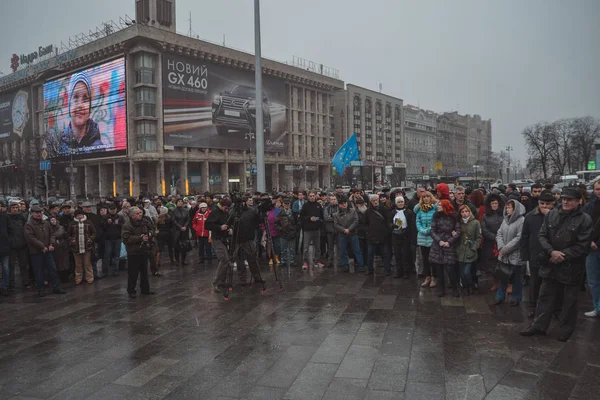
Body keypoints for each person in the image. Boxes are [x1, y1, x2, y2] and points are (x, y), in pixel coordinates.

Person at [521, 188, 593, 342]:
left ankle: (566, 330)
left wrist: (562, 255)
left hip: (571, 267)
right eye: (564, 199)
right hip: (550, 263)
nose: (566, 202)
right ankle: (539, 326)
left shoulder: (584, 219)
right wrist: (551, 251)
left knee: (569, 301)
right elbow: (542, 235)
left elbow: (583, 245)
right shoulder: (552, 214)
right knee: (544, 296)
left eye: (570, 199)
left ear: (579, 201)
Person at [520, 191, 555, 318]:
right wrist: (524, 255)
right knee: (534, 283)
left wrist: (550, 216)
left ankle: (553, 309)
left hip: (551, 254)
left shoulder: (558, 216)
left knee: (552, 283)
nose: (545, 206)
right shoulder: (530, 216)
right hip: (535, 253)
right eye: (542, 203)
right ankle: (533, 307)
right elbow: (524, 236)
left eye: (548, 204)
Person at [57, 70, 104, 155]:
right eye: (75, 97)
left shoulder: (98, 147)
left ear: (90, 106)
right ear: (69, 104)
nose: (80, 105)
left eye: (85, 99)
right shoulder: (59, 146)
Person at [23, 206, 66, 297]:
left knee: (53, 269)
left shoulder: (46, 223)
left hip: (48, 251)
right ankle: (41, 289)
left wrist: (51, 244)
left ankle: (57, 287)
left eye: (40, 212)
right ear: (32, 213)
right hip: (36, 252)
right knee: (39, 271)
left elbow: (52, 235)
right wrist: (42, 246)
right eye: (36, 212)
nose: (39, 214)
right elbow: (31, 238)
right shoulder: (29, 225)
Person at [494, 200, 526, 306]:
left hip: (516, 255)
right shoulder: (505, 220)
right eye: (506, 207)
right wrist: (501, 246)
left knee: (517, 279)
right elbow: (499, 233)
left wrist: (506, 249)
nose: (507, 209)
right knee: (503, 277)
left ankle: (516, 298)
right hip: (504, 255)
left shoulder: (521, 220)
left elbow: (519, 238)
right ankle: (499, 297)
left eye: (510, 207)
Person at [429, 200, 460, 297]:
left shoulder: (454, 217)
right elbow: (432, 231)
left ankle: (455, 288)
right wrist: (439, 241)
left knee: (450, 269)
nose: (437, 206)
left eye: (439, 205)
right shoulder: (436, 216)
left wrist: (449, 242)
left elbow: (458, 231)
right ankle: (441, 289)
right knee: (439, 269)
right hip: (438, 246)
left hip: (449, 246)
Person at [121, 207, 154, 298]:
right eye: (137, 213)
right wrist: (140, 238)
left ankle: (145, 289)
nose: (140, 214)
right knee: (133, 273)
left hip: (144, 250)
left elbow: (152, 228)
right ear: (132, 215)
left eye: (140, 212)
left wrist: (150, 234)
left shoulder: (144, 222)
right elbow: (126, 239)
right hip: (133, 252)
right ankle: (131, 290)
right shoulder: (127, 225)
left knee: (144, 272)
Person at [206, 198, 233, 292]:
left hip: (223, 238)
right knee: (224, 259)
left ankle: (221, 281)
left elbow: (228, 223)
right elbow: (207, 225)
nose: (227, 210)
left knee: (226, 260)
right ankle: (216, 282)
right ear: (221, 205)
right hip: (216, 238)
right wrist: (219, 227)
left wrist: (229, 228)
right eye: (225, 208)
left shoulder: (225, 212)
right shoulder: (214, 212)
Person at [582, 180, 600, 318]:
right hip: (591, 248)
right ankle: (597, 307)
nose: (599, 191)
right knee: (593, 281)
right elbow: (582, 226)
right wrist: (589, 241)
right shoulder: (589, 207)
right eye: (597, 189)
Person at [456, 204, 482, 296]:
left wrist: (474, 247)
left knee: (467, 272)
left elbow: (479, 237)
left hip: (471, 250)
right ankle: (466, 287)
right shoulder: (458, 222)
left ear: (469, 212)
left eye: (466, 211)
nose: (464, 213)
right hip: (460, 251)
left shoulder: (475, 222)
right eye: (462, 212)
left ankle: (470, 285)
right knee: (462, 273)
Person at [334, 196, 364, 273]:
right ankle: (345, 265)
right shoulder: (336, 214)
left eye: (345, 203)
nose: (344, 205)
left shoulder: (353, 211)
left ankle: (361, 265)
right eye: (342, 204)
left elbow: (356, 221)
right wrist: (344, 230)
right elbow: (336, 224)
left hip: (352, 233)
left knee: (357, 250)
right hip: (342, 234)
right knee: (343, 250)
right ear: (339, 205)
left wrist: (349, 229)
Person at [67, 209, 96, 285]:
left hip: (87, 246)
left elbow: (94, 232)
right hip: (76, 247)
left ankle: (89, 278)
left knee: (87, 263)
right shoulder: (72, 223)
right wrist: (71, 239)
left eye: (80, 215)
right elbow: (68, 234)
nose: (79, 216)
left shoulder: (88, 222)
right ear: (75, 216)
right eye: (78, 215)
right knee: (78, 264)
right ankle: (78, 278)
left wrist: (91, 239)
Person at [390, 196, 417, 279]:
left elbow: (412, 225)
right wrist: (392, 225)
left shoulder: (409, 212)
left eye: (401, 202)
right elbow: (388, 222)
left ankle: (406, 272)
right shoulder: (393, 212)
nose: (400, 203)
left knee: (405, 255)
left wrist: (413, 238)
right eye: (398, 202)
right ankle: (398, 271)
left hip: (406, 236)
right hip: (396, 235)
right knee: (397, 255)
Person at [7, 201, 32, 290]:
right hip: (12, 246)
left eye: (16, 208)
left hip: (22, 245)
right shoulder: (7, 218)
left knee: (23, 264)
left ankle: (25, 281)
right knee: (11, 265)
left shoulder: (22, 217)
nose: (15, 209)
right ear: (10, 209)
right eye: (13, 208)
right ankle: (11, 283)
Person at [365, 194, 392, 275]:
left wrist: (387, 231)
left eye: (377, 200)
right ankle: (370, 270)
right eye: (373, 201)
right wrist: (368, 231)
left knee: (385, 254)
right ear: (371, 202)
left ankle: (387, 270)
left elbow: (388, 221)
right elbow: (365, 222)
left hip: (383, 236)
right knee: (370, 254)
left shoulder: (384, 209)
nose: (375, 202)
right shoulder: (368, 211)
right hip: (372, 236)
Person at [416, 191, 437, 287]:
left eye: (428, 196)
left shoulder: (435, 208)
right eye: (424, 197)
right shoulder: (420, 209)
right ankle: (427, 277)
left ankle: (434, 277)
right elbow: (418, 221)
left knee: (433, 259)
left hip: (432, 237)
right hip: (422, 237)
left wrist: (429, 229)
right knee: (425, 259)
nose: (426, 198)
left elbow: (436, 221)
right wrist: (422, 230)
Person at [299, 191, 325, 270]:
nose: (312, 197)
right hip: (307, 229)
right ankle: (305, 262)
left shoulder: (318, 205)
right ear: (308, 197)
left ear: (315, 196)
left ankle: (317, 261)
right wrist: (309, 218)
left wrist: (319, 222)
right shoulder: (305, 205)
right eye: (310, 196)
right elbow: (301, 217)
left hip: (317, 229)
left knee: (318, 247)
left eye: (313, 196)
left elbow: (321, 216)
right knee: (306, 247)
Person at [103, 205, 124, 277]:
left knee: (116, 255)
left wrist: (118, 224)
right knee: (107, 256)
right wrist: (107, 223)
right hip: (108, 239)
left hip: (117, 238)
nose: (113, 210)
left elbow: (123, 226)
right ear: (108, 210)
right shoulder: (105, 217)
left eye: (114, 209)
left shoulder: (120, 217)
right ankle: (105, 271)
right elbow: (102, 227)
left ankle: (116, 270)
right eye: (111, 209)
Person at [49, 215, 70, 283]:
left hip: (63, 246)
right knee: (58, 263)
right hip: (55, 247)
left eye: (54, 220)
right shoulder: (49, 228)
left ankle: (65, 277)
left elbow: (63, 234)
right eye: (51, 220)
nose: (53, 221)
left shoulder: (61, 227)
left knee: (65, 262)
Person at [172, 199, 191, 265]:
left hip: (184, 231)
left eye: (181, 202)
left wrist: (185, 226)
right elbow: (174, 221)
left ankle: (183, 260)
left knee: (184, 245)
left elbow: (188, 220)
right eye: (179, 202)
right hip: (177, 230)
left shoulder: (186, 211)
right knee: (177, 246)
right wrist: (180, 227)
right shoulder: (173, 211)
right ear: (176, 203)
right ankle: (177, 260)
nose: (180, 203)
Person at [265, 199, 282, 267]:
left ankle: (276, 257)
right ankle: (270, 258)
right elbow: (264, 221)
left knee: (277, 245)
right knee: (269, 246)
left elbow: (280, 219)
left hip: (277, 231)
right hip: (268, 231)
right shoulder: (267, 211)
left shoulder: (277, 210)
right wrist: (264, 230)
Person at [323, 195, 339, 268]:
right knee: (330, 247)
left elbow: (340, 217)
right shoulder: (326, 208)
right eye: (331, 199)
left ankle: (340, 261)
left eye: (334, 199)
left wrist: (332, 216)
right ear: (329, 200)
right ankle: (330, 261)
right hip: (329, 230)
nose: (333, 200)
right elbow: (326, 218)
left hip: (338, 230)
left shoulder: (339, 207)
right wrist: (335, 217)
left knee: (339, 247)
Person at [0, 210, 10, 296]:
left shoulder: (5, 216)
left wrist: (8, 241)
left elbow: (10, 230)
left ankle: (5, 286)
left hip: (4, 247)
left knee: (5, 268)